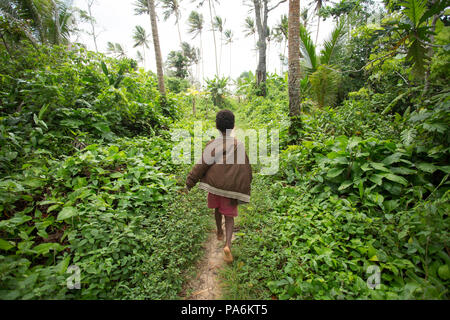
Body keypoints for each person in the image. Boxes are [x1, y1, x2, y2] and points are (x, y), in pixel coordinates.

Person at [185, 109, 252, 263]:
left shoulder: (212, 144)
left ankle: (219, 231)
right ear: (233, 126)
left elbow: (201, 165)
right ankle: (227, 245)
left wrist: (190, 182)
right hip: (230, 191)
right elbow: (246, 168)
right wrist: (247, 183)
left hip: (215, 188)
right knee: (229, 217)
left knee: (217, 209)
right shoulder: (238, 145)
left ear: (216, 126)